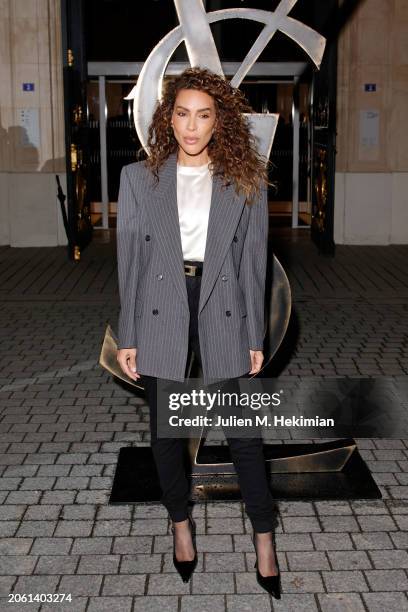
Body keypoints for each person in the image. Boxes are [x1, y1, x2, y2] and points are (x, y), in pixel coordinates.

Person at [116, 67, 280, 598]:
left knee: (243, 435)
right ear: (169, 117)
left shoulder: (244, 180)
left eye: (203, 115)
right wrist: (129, 334)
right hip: (163, 301)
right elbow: (131, 263)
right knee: (167, 433)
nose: (191, 126)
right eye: (182, 113)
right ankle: (181, 527)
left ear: (219, 122)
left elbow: (254, 265)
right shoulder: (139, 178)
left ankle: (263, 538)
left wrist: (256, 333)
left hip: (225, 301)